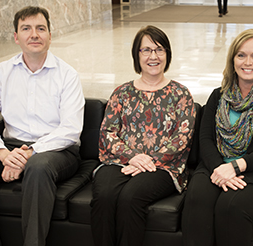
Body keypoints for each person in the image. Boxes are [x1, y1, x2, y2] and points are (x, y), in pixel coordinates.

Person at [0, 6, 85, 246]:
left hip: (57, 151)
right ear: (16, 37)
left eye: (41, 28)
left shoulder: (67, 75)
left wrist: (29, 153)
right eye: (26, 29)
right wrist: (2, 154)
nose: (34, 34)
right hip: (10, 147)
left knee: (38, 167)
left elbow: (71, 129)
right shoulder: (2, 72)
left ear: (50, 35)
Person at [181, 29, 253, 246]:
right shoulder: (218, 95)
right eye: (241, 55)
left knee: (231, 206)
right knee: (197, 199)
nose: (248, 62)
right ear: (233, 59)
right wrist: (220, 168)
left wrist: (235, 167)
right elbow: (205, 139)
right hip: (217, 165)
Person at [90, 25, 196, 246]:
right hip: (119, 162)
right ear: (136, 55)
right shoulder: (121, 92)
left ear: (167, 54)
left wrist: (148, 160)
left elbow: (182, 138)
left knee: (130, 198)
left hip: (163, 167)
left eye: (159, 49)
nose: (153, 56)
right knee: (105, 196)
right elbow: (107, 132)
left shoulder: (180, 94)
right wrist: (133, 157)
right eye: (146, 50)